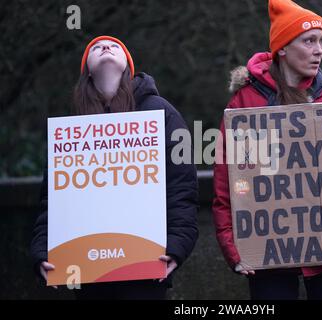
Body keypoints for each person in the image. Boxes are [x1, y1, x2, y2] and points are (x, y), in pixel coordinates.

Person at [212, 0, 322, 300]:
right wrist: (232, 242)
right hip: (267, 253)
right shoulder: (245, 103)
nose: (319, 50)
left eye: (321, 42)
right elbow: (228, 181)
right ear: (282, 48)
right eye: (308, 41)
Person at [30, 35, 199, 299]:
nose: (105, 47)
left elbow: (181, 187)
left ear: (128, 66)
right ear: (86, 69)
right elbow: (53, 198)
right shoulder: (73, 127)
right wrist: (43, 250)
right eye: (95, 47)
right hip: (87, 272)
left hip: (145, 268)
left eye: (114, 46)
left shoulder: (161, 112)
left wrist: (178, 245)